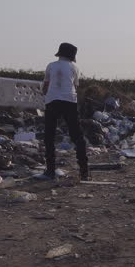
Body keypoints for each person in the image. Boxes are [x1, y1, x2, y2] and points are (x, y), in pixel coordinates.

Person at [41, 42, 88, 180]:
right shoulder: (75, 68)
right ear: (72, 56)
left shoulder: (51, 66)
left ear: (59, 54)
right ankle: (84, 171)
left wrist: (47, 93)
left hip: (52, 101)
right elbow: (75, 86)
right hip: (70, 102)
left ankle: (50, 170)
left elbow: (45, 87)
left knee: (49, 136)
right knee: (77, 136)